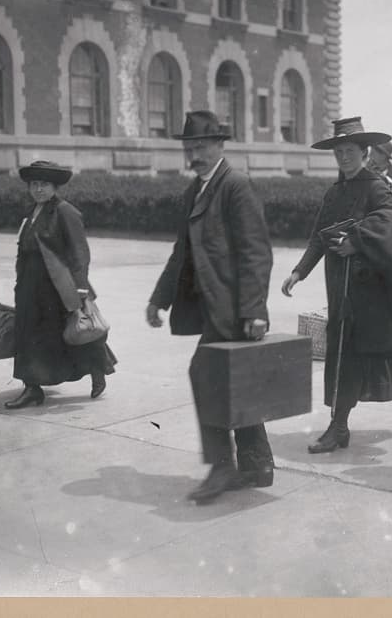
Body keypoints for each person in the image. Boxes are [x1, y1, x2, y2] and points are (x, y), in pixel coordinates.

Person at [146, 111, 275, 505]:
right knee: (236, 381)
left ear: (220, 145)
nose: (194, 154)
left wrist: (255, 310)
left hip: (234, 308)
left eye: (201, 146)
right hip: (214, 309)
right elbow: (180, 253)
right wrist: (159, 298)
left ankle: (222, 466)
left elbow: (256, 252)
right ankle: (257, 464)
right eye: (189, 147)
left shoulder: (235, 186)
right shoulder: (195, 191)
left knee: (206, 376)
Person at [281, 117, 392, 453]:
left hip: (372, 288)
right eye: (339, 151)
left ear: (365, 152)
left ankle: (342, 426)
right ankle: (372, 410)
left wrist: (358, 241)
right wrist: (299, 271)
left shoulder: (378, 186)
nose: (343, 156)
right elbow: (319, 237)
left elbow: (391, 225)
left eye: (350, 150)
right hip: (340, 286)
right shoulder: (335, 192)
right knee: (348, 353)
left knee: (366, 353)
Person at [6, 160, 117, 409]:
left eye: (44, 184)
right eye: (34, 184)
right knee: (28, 337)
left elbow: (80, 252)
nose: (38, 189)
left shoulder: (66, 211)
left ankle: (97, 370)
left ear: (55, 187)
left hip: (59, 289)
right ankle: (32, 389)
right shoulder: (30, 212)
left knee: (73, 334)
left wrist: (80, 288)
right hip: (30, 287)